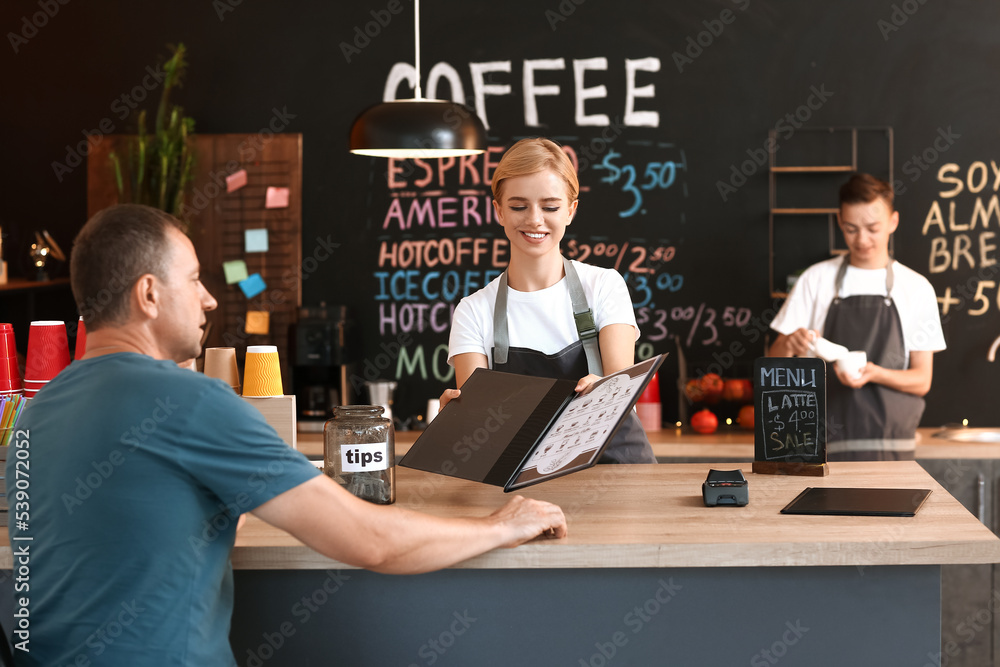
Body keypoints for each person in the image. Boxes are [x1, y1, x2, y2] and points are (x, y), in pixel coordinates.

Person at [9, 204, 567, 666]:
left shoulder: (35, 414)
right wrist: (500, 526)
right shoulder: (190, 400)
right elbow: (369, 540)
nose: (208, 298)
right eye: (196, 279)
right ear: (149, 294)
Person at [443, 138, 656, 463]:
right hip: (520, 482)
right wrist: (457, 422)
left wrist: (603, 392)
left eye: (550, 206)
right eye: (518, 206)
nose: (534, 219)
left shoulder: (604, 286)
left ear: (570, 210)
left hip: (614, 476)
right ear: (498, 210)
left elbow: (620, 390)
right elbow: (480, 429)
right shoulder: (474, 311)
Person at [768, 173, 946, 460]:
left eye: (872, 228)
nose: (862, 240)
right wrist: (790, 344)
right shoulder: (815, 279)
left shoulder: (917, 288)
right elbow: (773, 363)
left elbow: (921, 380)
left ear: (893, 222)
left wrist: (875, 373)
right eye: (851, 229)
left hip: (890, 450)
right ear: (839, 222)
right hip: (816, 445)